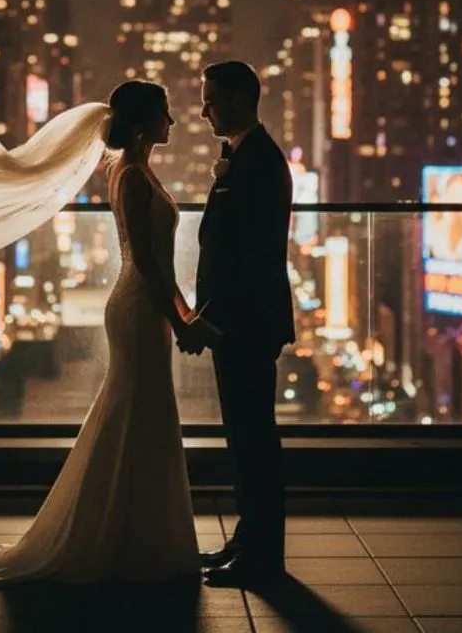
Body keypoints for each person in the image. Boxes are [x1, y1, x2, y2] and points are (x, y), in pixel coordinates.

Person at [0, 80, 203, 587]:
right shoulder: (132, 177)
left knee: (139, 412)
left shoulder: (134, 171)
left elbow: (160, 268)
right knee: (138, 410)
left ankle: (129, 532)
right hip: (137, 308)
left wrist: (183, 312)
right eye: (164, 113)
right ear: (142, 123)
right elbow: (150, 264)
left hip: (144, 305)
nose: (172, 123)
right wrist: (180, 319)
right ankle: (128, 535)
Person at [180, 61, 296, 588]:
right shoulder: (244, 157)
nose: (203, 109)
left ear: (238, 100)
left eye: (210, 99)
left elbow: (250, 256)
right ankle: (249, 540)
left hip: (246, 324)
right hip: (238, 323)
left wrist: (214, 320)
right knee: (245, 439)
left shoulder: (261, 162)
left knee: (255, 441)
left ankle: (263, 555)